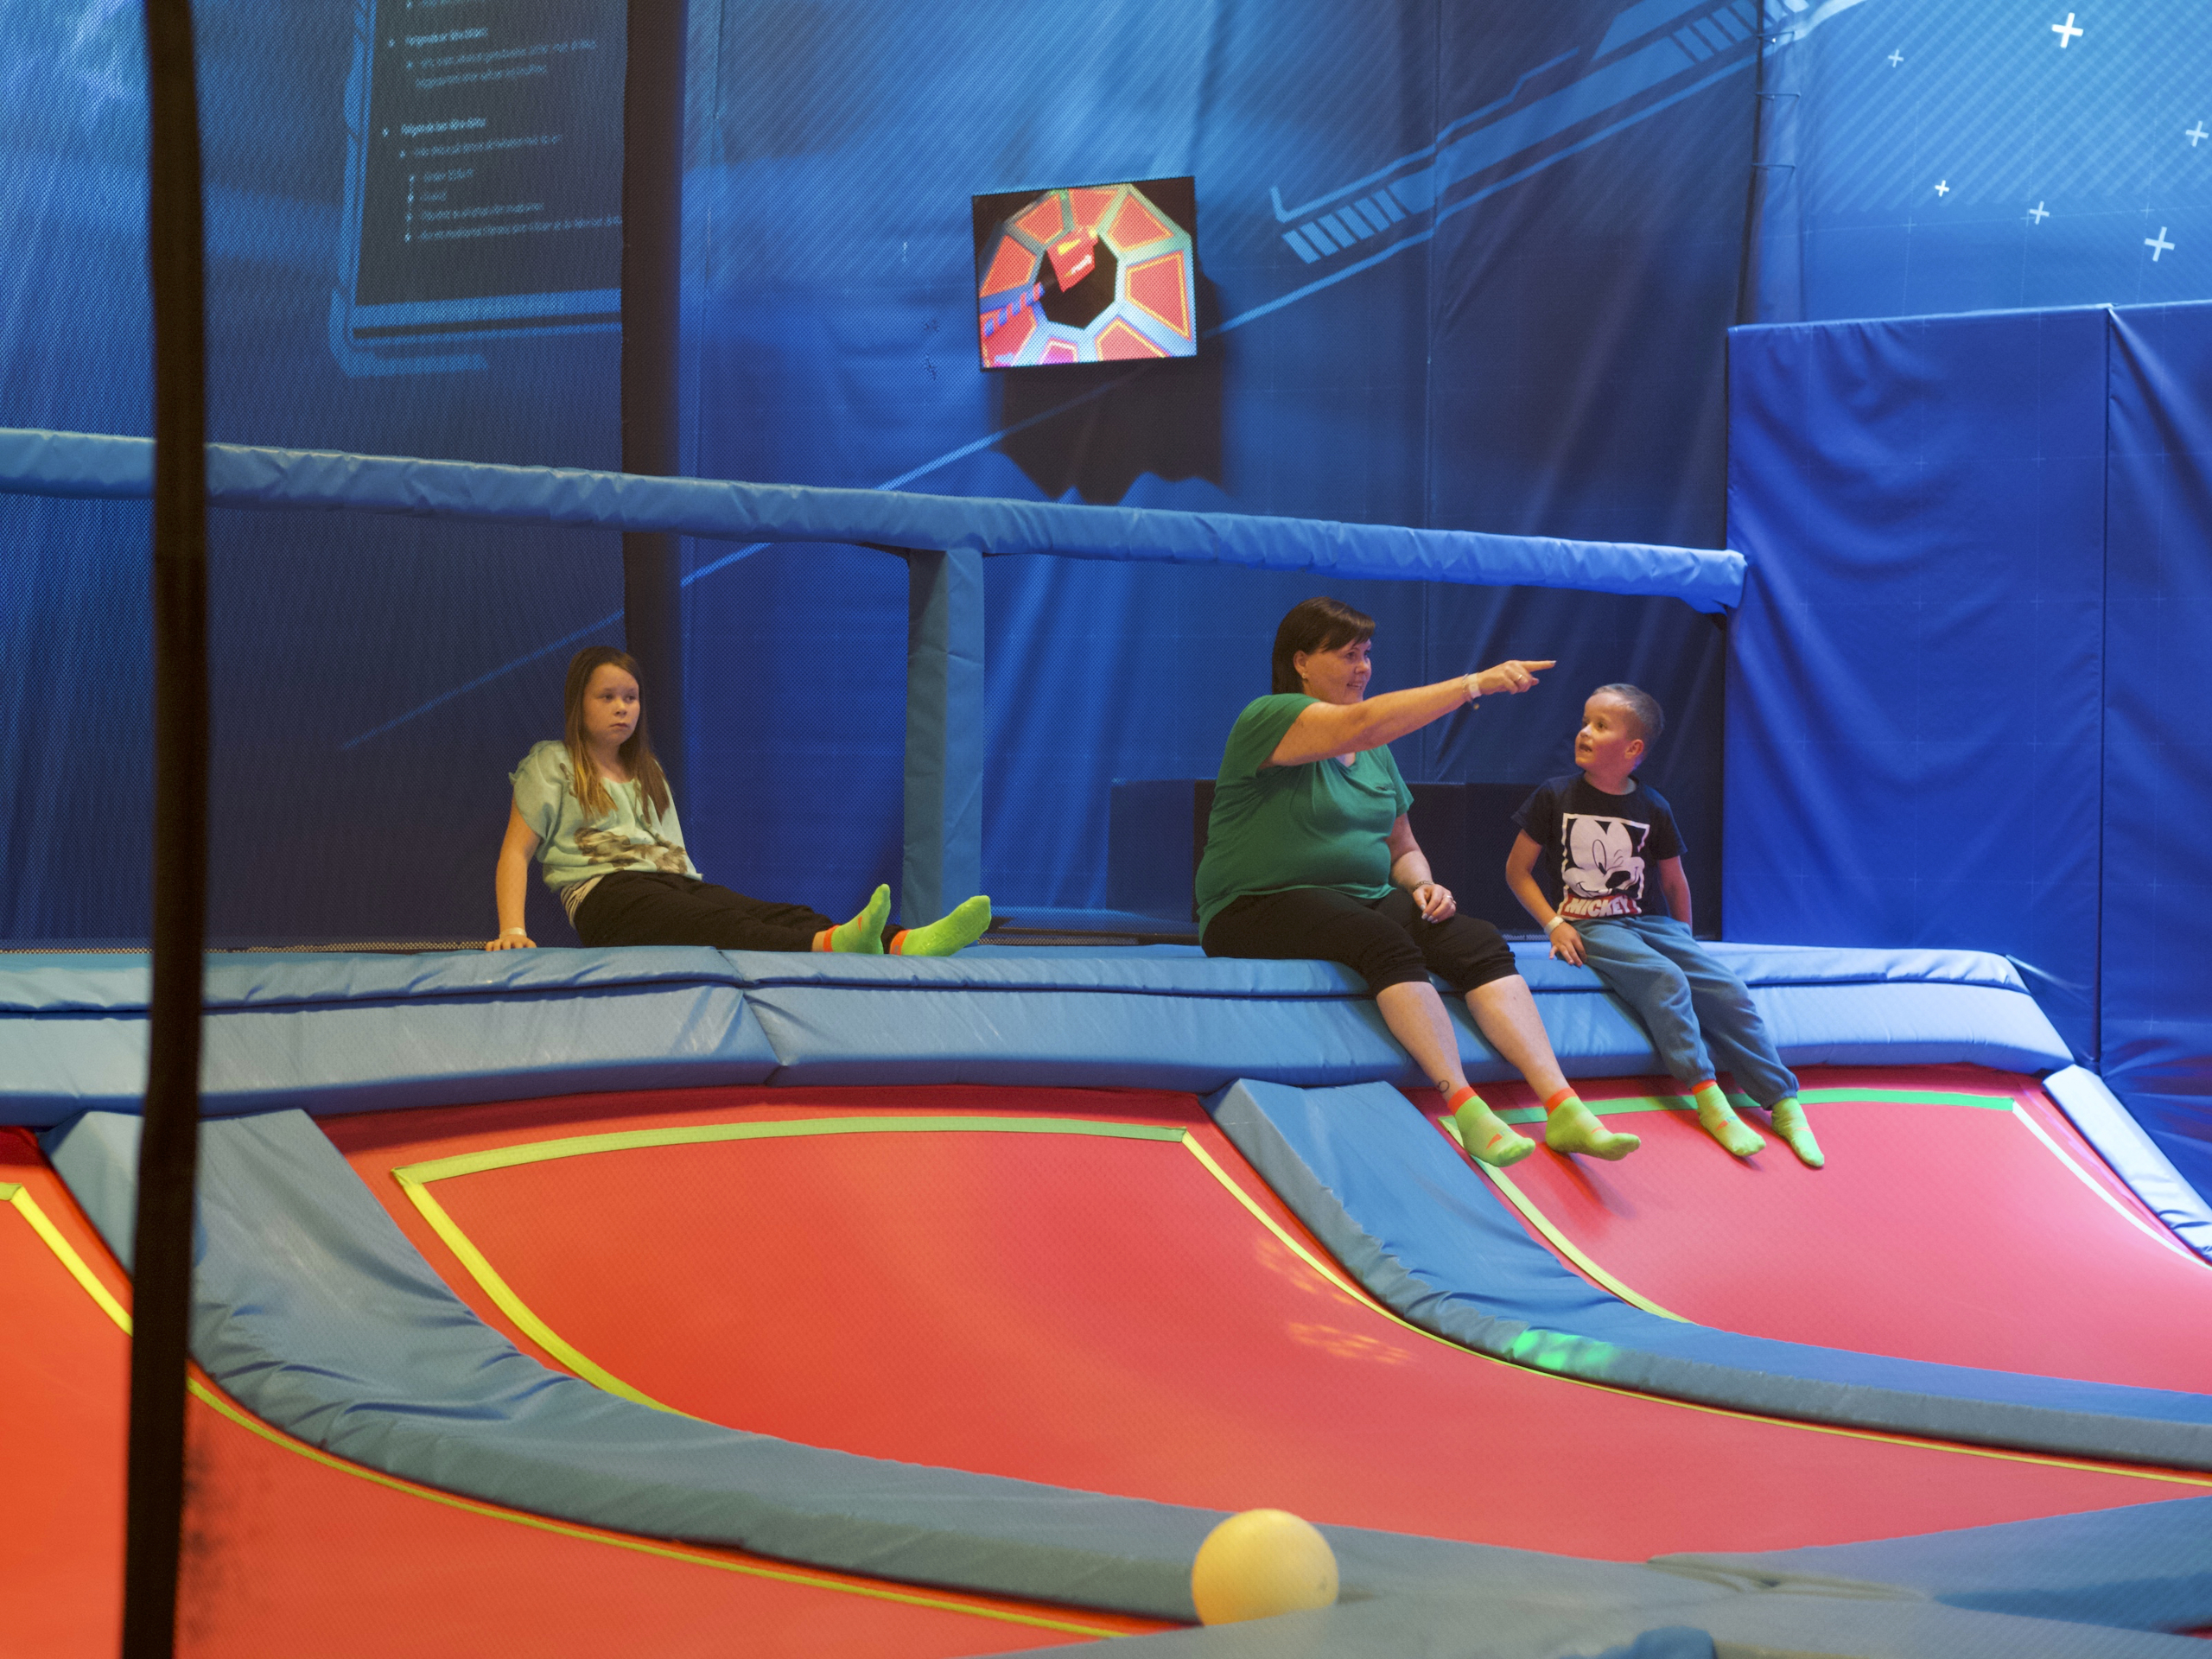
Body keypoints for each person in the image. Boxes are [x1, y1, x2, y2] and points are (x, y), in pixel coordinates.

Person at [1195, 596, 1637, 1169]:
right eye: (1347, 655)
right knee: (1380, 940)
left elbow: (1400, 845)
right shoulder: (1269, 717)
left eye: (1367, 654)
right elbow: (1361, 723)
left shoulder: (1374, 752)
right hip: (1253, 906)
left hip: (1359, 898)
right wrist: (1475, 684)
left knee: (1475, 939)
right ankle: (1466, 1106)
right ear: (1301, 662)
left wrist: (1423, 884)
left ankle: (1563, 1105)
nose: (1363, 667)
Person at [487, 646, 993, 956]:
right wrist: (512, 928)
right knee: (721, 925)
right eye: (607, 697)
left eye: (631, 697)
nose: (622, 708)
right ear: (578, 703)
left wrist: (696, 890)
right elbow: (515, 852)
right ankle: (828, 946)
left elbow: (673, 856)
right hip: (604, 897)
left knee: (774, 911)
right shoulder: (552, 763)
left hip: (668, 884)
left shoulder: (647, 770)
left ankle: (904, 941)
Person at [1504, 683, 1823, 1166]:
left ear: (1632, 749)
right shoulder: (1555, 796)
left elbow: (1675, 884)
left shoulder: (1652, 806)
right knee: (1664, 978)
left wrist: (1683, 939)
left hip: (1648, 923)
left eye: (1600, 726)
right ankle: (1709, 1099)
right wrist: (1553, 924)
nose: (1584, 732)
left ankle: (1784, 1102)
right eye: (1585, 721)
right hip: (1588, 923)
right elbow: (1516, 872)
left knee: (1727, 988)